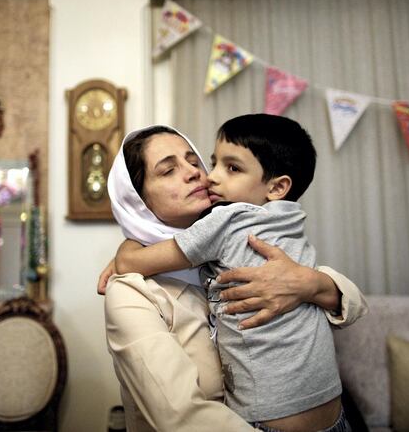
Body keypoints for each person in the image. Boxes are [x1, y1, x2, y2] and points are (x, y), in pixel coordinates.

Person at [99, 124, 367, 431]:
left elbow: (354, 302)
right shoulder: (132, 291)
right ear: (137, 200)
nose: (195, 173)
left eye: (193, 160)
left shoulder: (240, 240)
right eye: (169, 170)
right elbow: (181, 417)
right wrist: (130, 249)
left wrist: (311, 284)